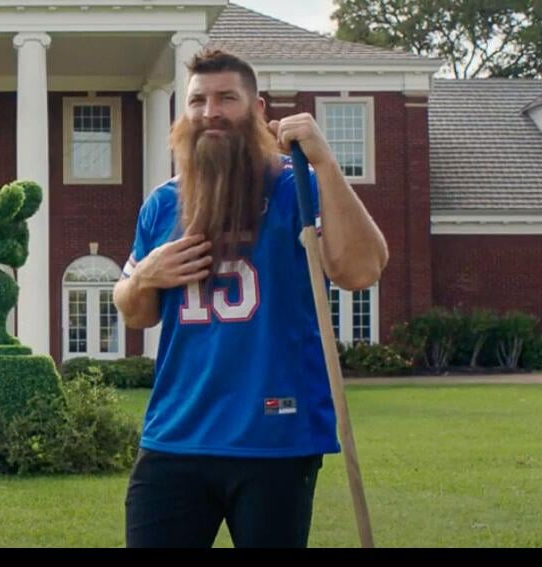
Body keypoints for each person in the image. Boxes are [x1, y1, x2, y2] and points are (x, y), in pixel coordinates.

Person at [113, 49, 388, 548]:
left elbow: (361, 269)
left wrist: (326, 164)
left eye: (226, 98)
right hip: (177, 436)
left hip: (277, 441)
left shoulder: (296, 188)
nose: (210, 112)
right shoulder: (164, 203)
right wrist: (143, 277)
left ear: (258, 108)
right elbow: (137, 313)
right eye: (197, 100)